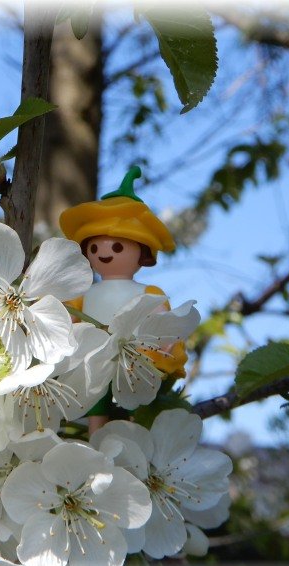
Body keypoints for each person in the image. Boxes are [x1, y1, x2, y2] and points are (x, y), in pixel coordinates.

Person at [59, 166, 188, 432]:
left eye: (118, 247)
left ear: (143, 254)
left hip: (134, 364)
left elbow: (165, 325)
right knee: (96, 404)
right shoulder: (85, 293)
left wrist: (167, 349)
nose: (104, 253)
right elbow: (67, 318)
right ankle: (95, 440)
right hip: (91, 361)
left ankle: (133, 436)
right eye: (94, 247)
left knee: (132, 406)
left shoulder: (149, 293)